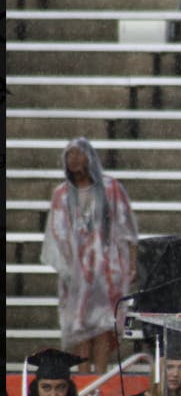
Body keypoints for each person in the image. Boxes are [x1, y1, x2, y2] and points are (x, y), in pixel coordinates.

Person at [41, 137, 139, 373]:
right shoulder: (62, 194)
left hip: (108, 271)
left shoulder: (111, 188)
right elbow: (57, 234)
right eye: (70, 155)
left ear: (90, 157)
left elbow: (128, 229)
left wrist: (132, 264)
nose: (74, 159)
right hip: (76, 274)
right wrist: (71, 266)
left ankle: (100, 379)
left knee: (105, 325)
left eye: (79, 154)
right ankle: (83, 381)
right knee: (80, 327)